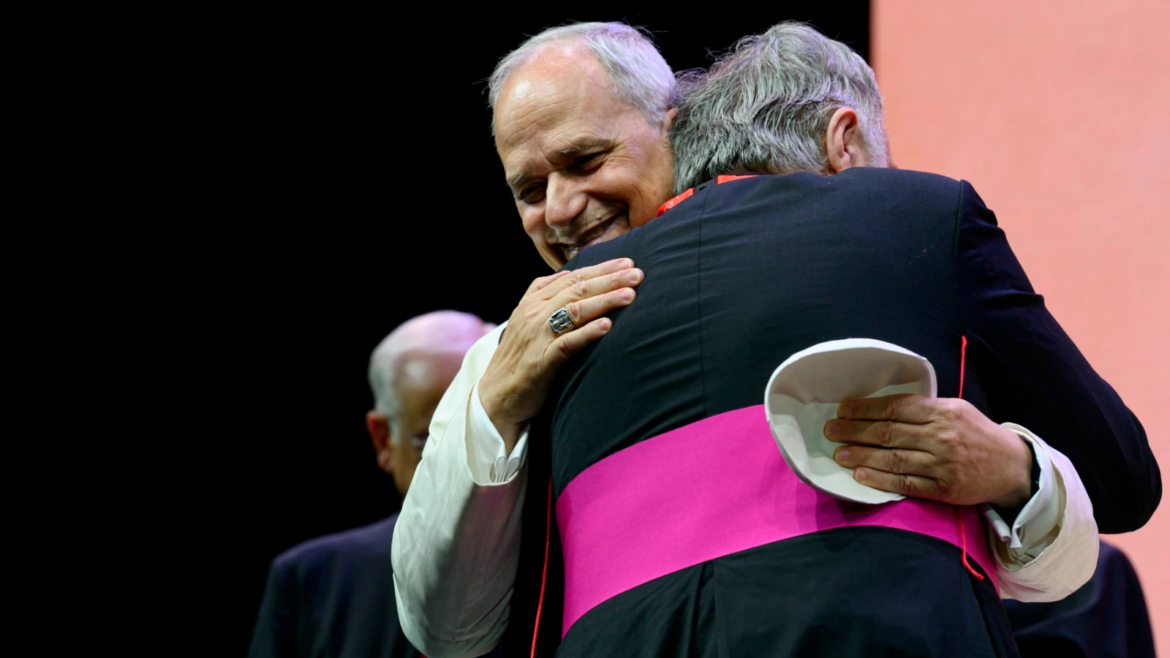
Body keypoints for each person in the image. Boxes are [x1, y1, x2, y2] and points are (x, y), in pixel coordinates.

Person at [392, 23, 1157, 657]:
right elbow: (444, 620)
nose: (560, 209)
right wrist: (493, 399)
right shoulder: (519, 348)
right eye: (528, 190)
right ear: (848, 143)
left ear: (676, 126)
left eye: (585, 161)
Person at [249, 311, 498, 658]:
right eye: (431, 439)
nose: (470, 462)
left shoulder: (558, 564)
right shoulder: (311, 582)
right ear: (384, 440)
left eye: (491, 430)